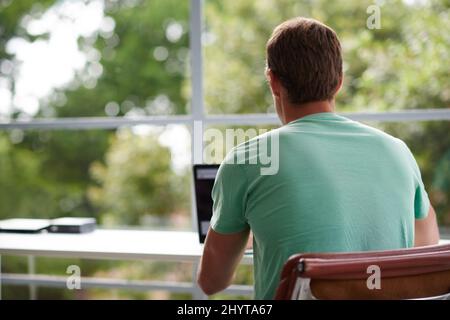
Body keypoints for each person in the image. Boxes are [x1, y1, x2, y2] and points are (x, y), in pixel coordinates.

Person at [197, 17, 440, 300]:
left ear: (273, 81)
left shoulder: (251, 158)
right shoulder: (398, 151)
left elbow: (211, 282)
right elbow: (426, 251)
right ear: (338, 83)